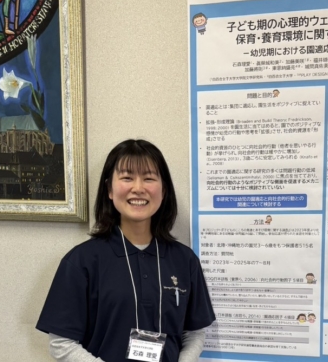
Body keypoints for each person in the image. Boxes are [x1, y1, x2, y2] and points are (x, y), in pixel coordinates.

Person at [36, 139, 216, 362]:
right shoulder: (82, 261)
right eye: (127, 178)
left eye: (149, 178)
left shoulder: (184, 260)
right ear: (109, 189)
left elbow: (194, 333)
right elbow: (61, 343)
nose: (138, 188)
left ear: (163, 190)